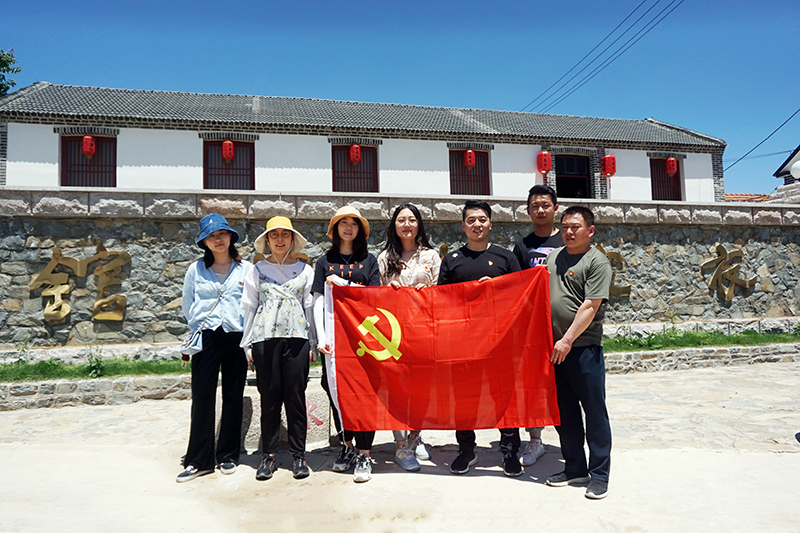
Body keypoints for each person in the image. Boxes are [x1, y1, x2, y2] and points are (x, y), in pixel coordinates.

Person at [438, 200, 523, 477]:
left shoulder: (506, 258)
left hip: (499, 342)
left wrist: (497, 288)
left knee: (503, 397)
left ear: (490, 224)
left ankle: (509, 452)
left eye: (482, 219)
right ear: (463, 226)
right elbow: (441, 301)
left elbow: (519, 297)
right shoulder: (452, 260)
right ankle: (466, 450)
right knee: (465, 398)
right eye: (471, 220)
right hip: (463, 342)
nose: (477, 224)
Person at [544, 206, 613, 500]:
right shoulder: (553, 257)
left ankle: (600, 475)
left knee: (594, 413)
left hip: (583, 348)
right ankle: (574, 467)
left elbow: (590, 306)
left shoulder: (597, 262)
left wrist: (567, 339)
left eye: (575, 227)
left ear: (590, 230)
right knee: (565, 412)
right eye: (564, 227)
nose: (569, 232)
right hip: (554, 349)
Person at [177, 214, 252, 483]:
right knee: (202, 396)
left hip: (235, 335)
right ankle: (199, 460)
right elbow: (188, 303)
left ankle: (228, 454)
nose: (218, 240)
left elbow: (252, 305)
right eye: (211, 236)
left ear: (231, 237)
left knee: (233, 394)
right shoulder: (196, 270)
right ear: (204, 242)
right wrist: (199, 325)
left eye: (222, 234)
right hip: (206, 336)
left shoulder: (246, 269)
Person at [240, 216, 315, 481]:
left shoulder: (305, 270)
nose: (280, 240)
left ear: (292, 239)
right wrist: (247, 343)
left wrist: (313, 342)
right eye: (274, 235)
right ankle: (268, 456)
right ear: (267, 240)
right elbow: (250, 307)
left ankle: (298, 455)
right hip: (265, 338)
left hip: (297, 339)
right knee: (269, 399)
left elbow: (309, 307)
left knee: (296, 399)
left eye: (285, 234)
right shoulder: (257, 270)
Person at [312, 206, 381, 483]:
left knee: (364, 395)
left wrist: (341, 282)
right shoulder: (324, 261)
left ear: (361, 229)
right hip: (334, 341)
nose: (349, 227)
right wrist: (321, 337)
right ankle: (347, 446)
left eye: (354, 223)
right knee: (336, 392)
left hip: (363, 341)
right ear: (335, 228)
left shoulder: (369, 261)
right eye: (343, 222)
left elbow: (374, 297)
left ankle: (365, 453)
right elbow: (318, 300)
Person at [378, 203, 441, 472]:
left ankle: (416, 435)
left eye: (412, 220)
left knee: (420, 388)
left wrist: (428, 290)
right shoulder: (384, 258)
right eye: (401, 220)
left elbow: (441, 292)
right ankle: (400, 444)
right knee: (396, 388)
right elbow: (375, 298)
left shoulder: (431, 256)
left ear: (419, 225)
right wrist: (388, 290)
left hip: (423, 331)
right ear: (394, 225)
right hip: (393, 334)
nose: (407, 225)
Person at [512, 184, 563, 467]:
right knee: (533, 384)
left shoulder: (567, 240)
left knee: (564, 386)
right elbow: (516, 284)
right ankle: (535, 439)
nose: (540, 210)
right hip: (533, 326)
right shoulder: (523, 245)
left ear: (556, 208)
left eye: (545, 205)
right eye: (535, 206)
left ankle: (570, 441)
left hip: (562, 324)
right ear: (528, 210)